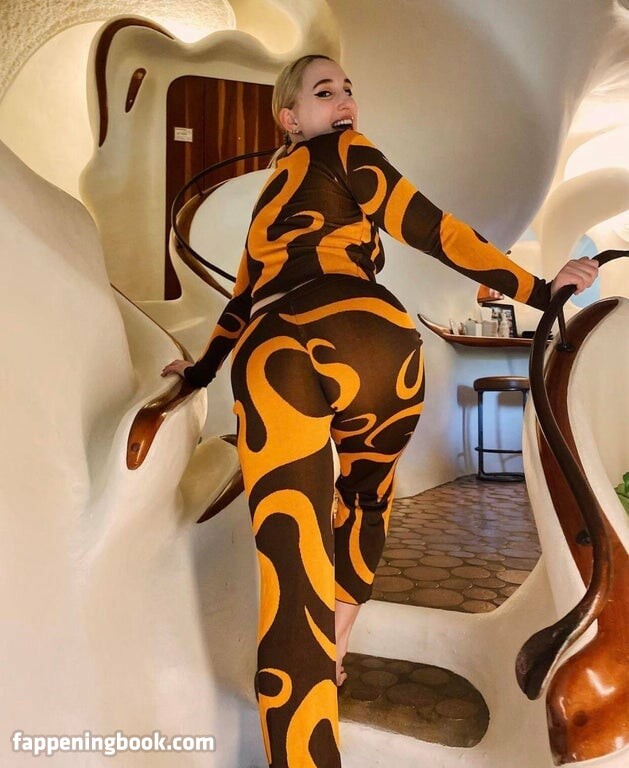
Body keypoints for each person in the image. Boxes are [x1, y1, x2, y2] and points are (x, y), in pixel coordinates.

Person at [162, 54, 599, 768]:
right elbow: (434, 229)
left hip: (278, 352)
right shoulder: (346, 153)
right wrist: (542, 289)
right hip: (379, 347)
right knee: (365, 503)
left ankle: (306, 700)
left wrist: (199, 374)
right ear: (289, 118)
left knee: (291, 571)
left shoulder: (268, 202)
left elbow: (240, 304)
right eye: (323, 91)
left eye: (348, 90)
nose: (344, 101)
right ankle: (335, 642)